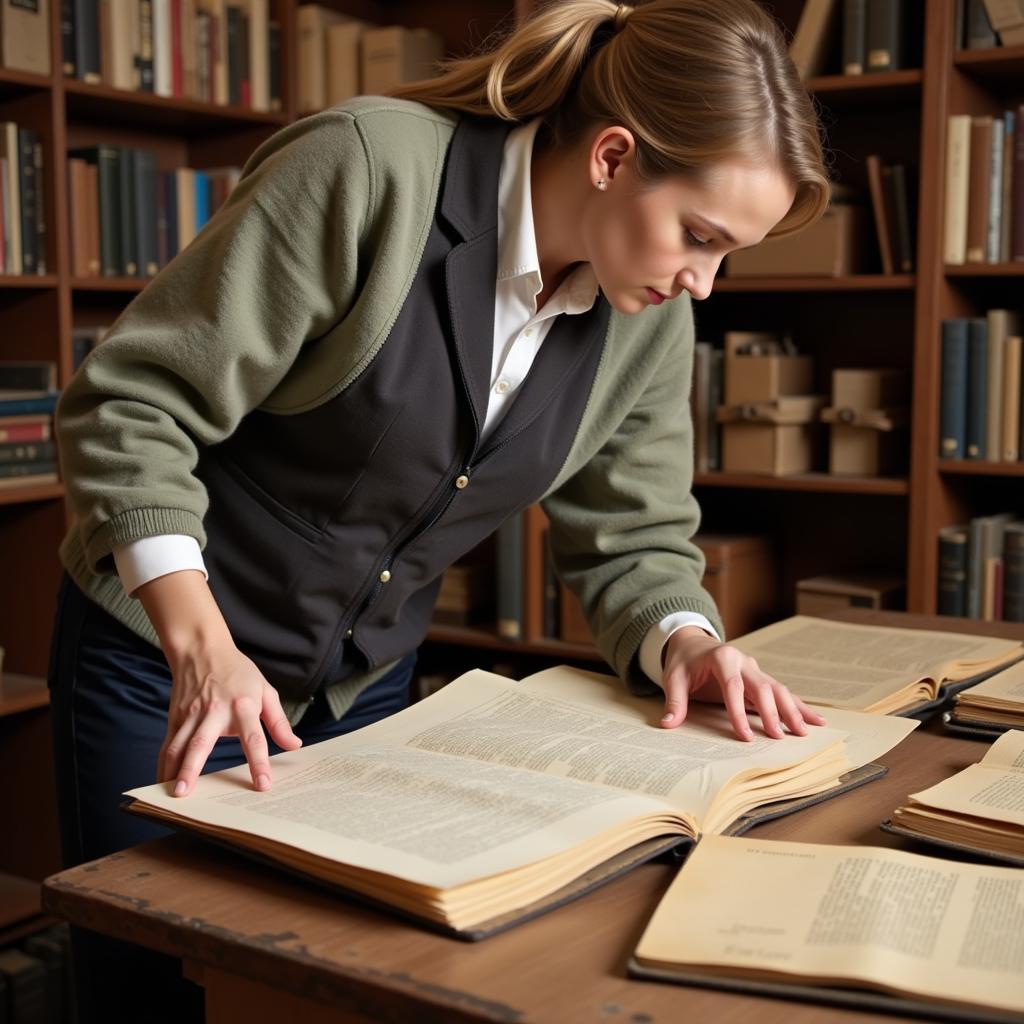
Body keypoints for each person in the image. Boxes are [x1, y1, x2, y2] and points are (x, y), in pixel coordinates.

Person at [49, 0, 830, 1018]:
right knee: (149, 987)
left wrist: (685, 641)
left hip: (360, 692)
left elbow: (633, 536)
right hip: (165, 662)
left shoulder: (647, 316)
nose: (704, 282)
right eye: (698, 235)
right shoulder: (366, 170)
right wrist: (201, 644)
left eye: (729, 255)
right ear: (609, 158)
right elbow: (133, 404)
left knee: (321, 988)